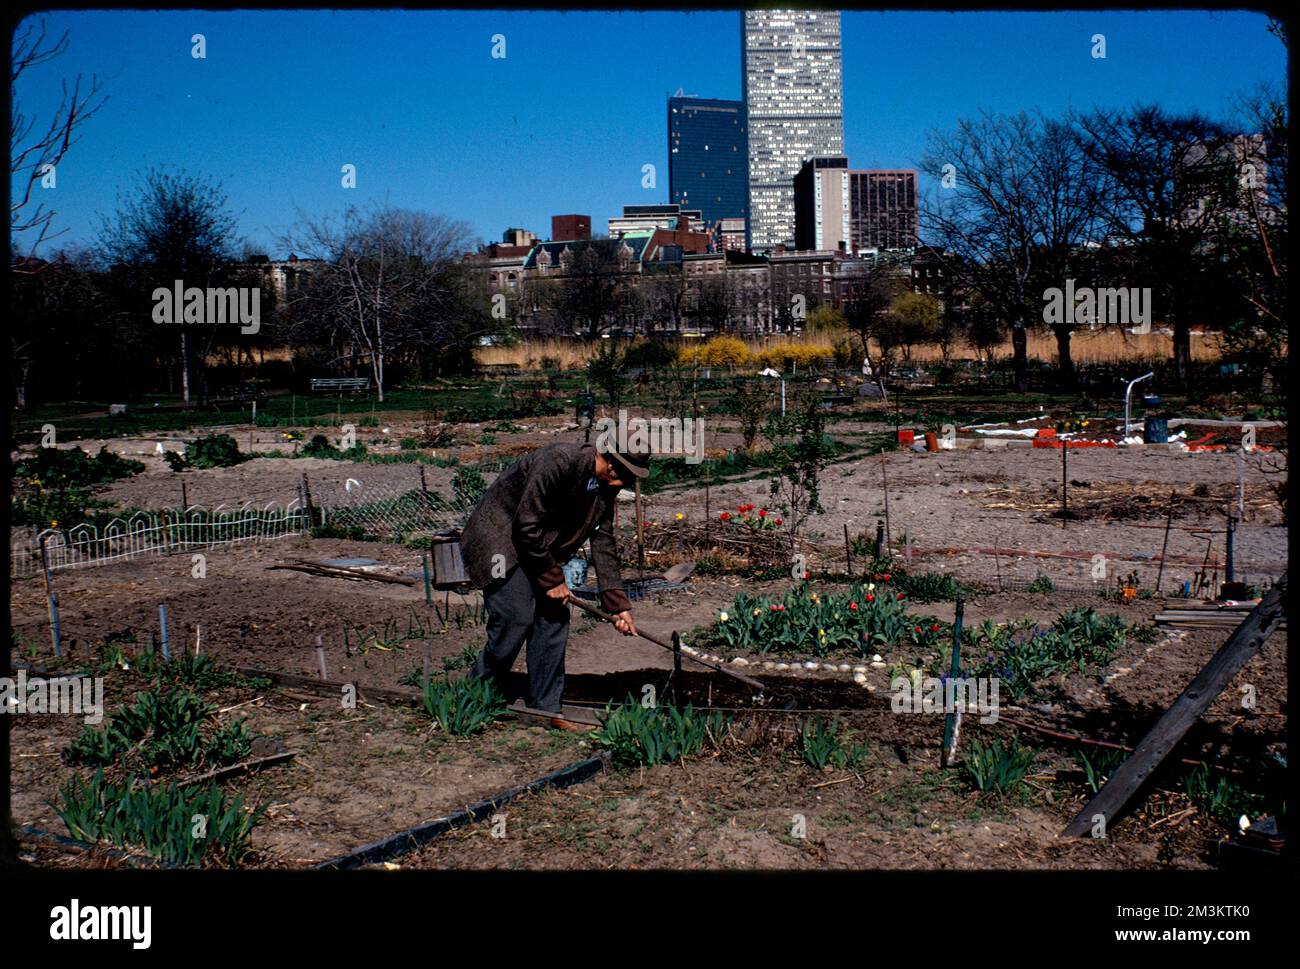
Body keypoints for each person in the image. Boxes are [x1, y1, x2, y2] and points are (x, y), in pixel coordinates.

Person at [458, 440, 648, 725]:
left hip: (535, 547)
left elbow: (603, 540)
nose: (624, 482)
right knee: (516, 617)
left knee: (554, 619)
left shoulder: (604, 486)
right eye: (624, 473)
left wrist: (616, 602)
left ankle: (545, 709)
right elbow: (526, 524)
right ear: (609, 461)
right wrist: (551, 578)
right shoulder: (559, 461)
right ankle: (473, 696)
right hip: (500, 542)